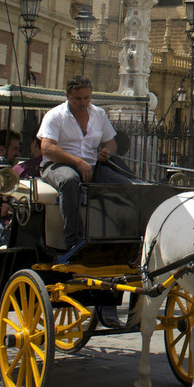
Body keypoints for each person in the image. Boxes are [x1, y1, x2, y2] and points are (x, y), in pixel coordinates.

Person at [39, 76, 120, 262]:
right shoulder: (55, 115)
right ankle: (72, 240)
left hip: (91, 166)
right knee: (69, 181)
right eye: (78, 99)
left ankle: (118, 235)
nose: (83, 103)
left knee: (123, 184)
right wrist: (77, 162)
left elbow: (111, 142)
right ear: (67, 96)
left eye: (87, 98)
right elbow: (47, 148)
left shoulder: (99, 114)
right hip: (57, 165)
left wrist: (107, 151)